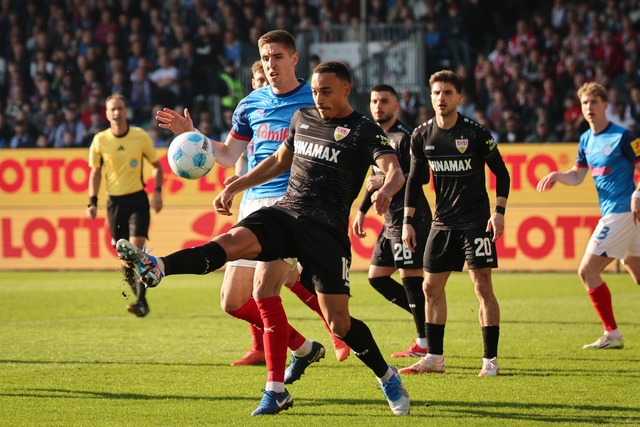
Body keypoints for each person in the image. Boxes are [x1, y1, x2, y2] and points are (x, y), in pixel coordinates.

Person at [118, 60, 410, 416]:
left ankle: (386, 374)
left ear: (347, 89)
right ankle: (159, 265)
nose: (319, 98)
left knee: (339, 322)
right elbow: (279, 160)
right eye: (316, 91)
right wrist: (238, 184)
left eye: (327, 91)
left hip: (325, 231)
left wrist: (386, 191)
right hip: (285, 213)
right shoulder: (303, 118)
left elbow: (394, 171)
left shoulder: (363, 130)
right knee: (230, 244)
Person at [154, 31, 348, 408]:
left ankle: (275, 389)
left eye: (278, 56)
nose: (271, 64)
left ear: (294, 58)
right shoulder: (250, 104)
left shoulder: (313, 100)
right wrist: (192, 135)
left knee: (265, 292)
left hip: (292, 205)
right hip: (252, 205)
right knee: (231, 301)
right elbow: (228, 155)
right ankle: (303, 346)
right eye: (265, 57)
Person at [224, 59, 349, 367]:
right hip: (252, 201)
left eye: (264, 75)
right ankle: (296, 346)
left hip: (288, 200)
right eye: (256, 77)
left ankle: (282, 373)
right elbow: (235, 157)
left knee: (272, 286)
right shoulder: (252, 110)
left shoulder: (305, 103)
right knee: (238, 298)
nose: (261, 82)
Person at [401, 70, 511, 377]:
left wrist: (499, 211)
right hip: (442, 223)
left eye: (447, 92)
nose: (441, 98)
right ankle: (435, 358)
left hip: (475, 222)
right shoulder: (421, 135)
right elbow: (413, 179)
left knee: (482, 286)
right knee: (430, 287)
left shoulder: (476, 133)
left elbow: (502, 173)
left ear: (458, 97)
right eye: (436, 93)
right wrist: (408, 221)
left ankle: (490, 361)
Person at [536, 82, 640, 350]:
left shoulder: (624, 136)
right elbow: (578, 175)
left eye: (594, 102)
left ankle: (612, 333)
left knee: (587, 271)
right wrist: (559, 175)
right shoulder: (586, 140)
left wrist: (638, 193)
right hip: (624, 216)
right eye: (585, 103)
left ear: (606, 105)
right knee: (637, 272)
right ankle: (612, 333)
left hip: (622, 212)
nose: (589, 108)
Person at [352, 84, 431, 359]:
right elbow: (372, 178)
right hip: (389, 221)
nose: (378, 106)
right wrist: (361, 209)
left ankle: (424, 340)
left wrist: (384, 181)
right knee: (377, 278)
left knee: (411, 279)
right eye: (374, 101)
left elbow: (421, 177)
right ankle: (426, 316)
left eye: (384, 101)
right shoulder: (374, 137)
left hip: (411, 217)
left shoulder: (405, 137)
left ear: (395, 106)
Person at [86, 93, 163, 317]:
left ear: (125, 111)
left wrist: (157, 193)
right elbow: (96, 172)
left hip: (138, 200)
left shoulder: (140, 136)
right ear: (107, 113)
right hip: (114, 204)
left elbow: (157, 166)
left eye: (120, 108)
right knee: (125, 259)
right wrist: (92, 201)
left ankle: (140, 301)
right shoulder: (100, 140)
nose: (117, 112)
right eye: (113, 109)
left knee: (136, 250)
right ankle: (143, 301)